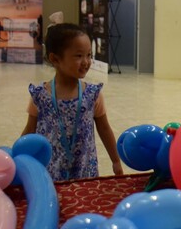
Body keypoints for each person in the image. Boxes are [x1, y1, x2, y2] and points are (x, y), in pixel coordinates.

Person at [22, 23, 123, 181]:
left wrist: (115, 160)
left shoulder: (92, 95)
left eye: (89, 55)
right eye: (78, 56)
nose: (86, 61)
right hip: (50, 171)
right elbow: (29, 130)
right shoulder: (40, 96)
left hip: (85, 170)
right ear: (55, 58)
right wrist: (17, 158)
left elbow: (104, 129)